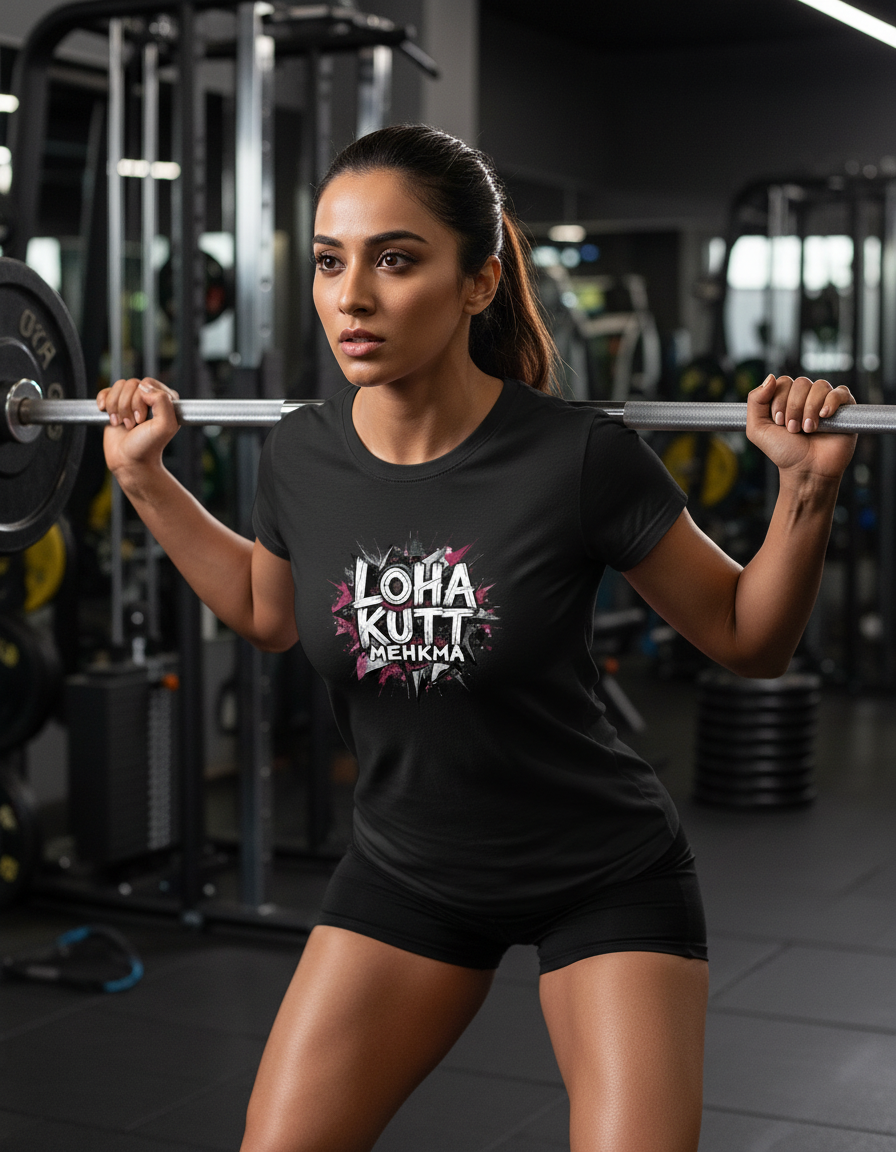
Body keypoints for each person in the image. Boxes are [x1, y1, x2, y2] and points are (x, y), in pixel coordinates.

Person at [98, 125, 856, 1152]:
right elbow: (267, 611)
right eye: (330, 261)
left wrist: (803, 490)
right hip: (407, 867)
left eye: (395, 259)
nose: (351, 296)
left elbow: (742, 637)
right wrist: (146, 477)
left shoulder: (580, 456)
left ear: (477, 281)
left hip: (599, 870)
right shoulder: (299, 455)